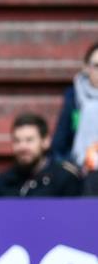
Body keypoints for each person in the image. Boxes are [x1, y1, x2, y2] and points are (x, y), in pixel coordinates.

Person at [0, 113, 82, 198]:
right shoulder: (4, 182)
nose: (22, 147)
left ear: (45, 141)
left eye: (29, 140)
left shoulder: (65, 179)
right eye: (17, 141)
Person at [52, 42, 98, 175]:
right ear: (86, 68)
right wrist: (71, 167)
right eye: (96, 66)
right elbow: (59, 147)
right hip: (79, 172)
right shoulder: (74, 98)